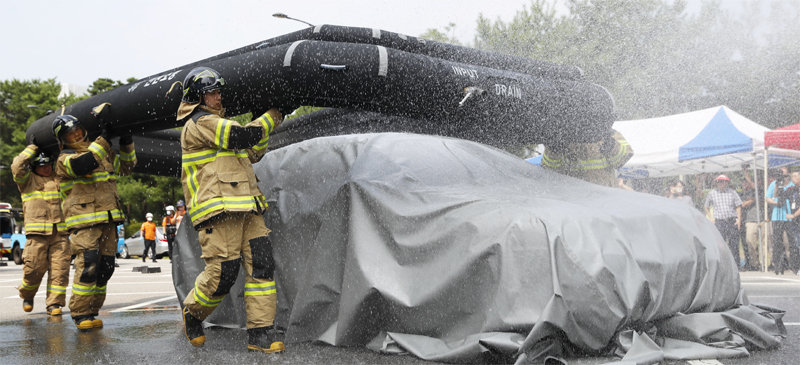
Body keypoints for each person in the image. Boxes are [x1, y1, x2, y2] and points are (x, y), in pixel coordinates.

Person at [176, 67, 287, 353]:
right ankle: (193, 312)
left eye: (218, 91)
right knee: (223, 276)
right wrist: (272, 115)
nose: (217, 96)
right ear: (197, 98)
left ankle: (260, 334)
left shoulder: (223, 125)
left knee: (262, 267)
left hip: (248, 207)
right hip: (218, 211)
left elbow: (253, 151)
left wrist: (260, 120)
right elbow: (241, 137)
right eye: (211, 92)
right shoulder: (199, 123)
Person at [53, 114, 136, 331]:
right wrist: (105, 139)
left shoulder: (100, 150)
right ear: (63, 140)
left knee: (106, 268)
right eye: (71, 133)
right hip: (84, 223)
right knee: (88, 266)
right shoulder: (64, 160)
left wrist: (127, 142)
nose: (77, 134)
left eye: (78, 129)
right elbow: (84, 165)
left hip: (108, 219)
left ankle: (92, 310)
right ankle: (80, 314)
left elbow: (127, 167)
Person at [11, 146, 70, 316]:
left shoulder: (58, 179)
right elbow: (16, 166)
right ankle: (27, 295)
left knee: (60, 271)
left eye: (49, 164)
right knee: (33, 270)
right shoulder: (26, 181)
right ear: (34, 166)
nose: (47, 168)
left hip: (60, 233)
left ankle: (54, 304)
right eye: (42, 165)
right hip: (37, 235)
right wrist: (31, 149)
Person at [541, 130, 633, 187]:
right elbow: (549, 168)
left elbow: (624, 158)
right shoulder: (563, 136)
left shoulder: (609, 133)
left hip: (605, 197)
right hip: (575, 199)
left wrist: (611, 145)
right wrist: (553, 150)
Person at [704, 174, 743, 267]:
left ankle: (735, 265)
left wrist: (739, 219)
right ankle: (721, 264)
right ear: (717, 183)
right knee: (720, 244)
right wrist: (711, 218)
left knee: (734, 243)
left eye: (724, 181)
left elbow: (738, 205)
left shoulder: (732, 192)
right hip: (719, 221)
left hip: (731, 220)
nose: (722, 183)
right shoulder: (712, 193)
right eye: (720, 181)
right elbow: (706, 206)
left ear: (727, 183)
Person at [766, 167, 793, 275]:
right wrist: (775, 202)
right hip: (777, 217)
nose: (783, 177)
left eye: (785, 175)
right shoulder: (774, 184)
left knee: (791, 242)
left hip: (789, 216)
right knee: (777, 242)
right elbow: (768, 197)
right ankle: (778, 266)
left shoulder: (792, 184)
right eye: (781, 175)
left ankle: (793, 265)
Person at [780, 171, 800, 275]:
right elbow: (780, 197)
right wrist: (778, 183)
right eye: (792, 176)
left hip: (796, 218)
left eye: (796, 176)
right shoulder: (792, 190)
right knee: (797, 244)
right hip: (795, 223)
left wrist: (793, 215)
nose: (793, 178)